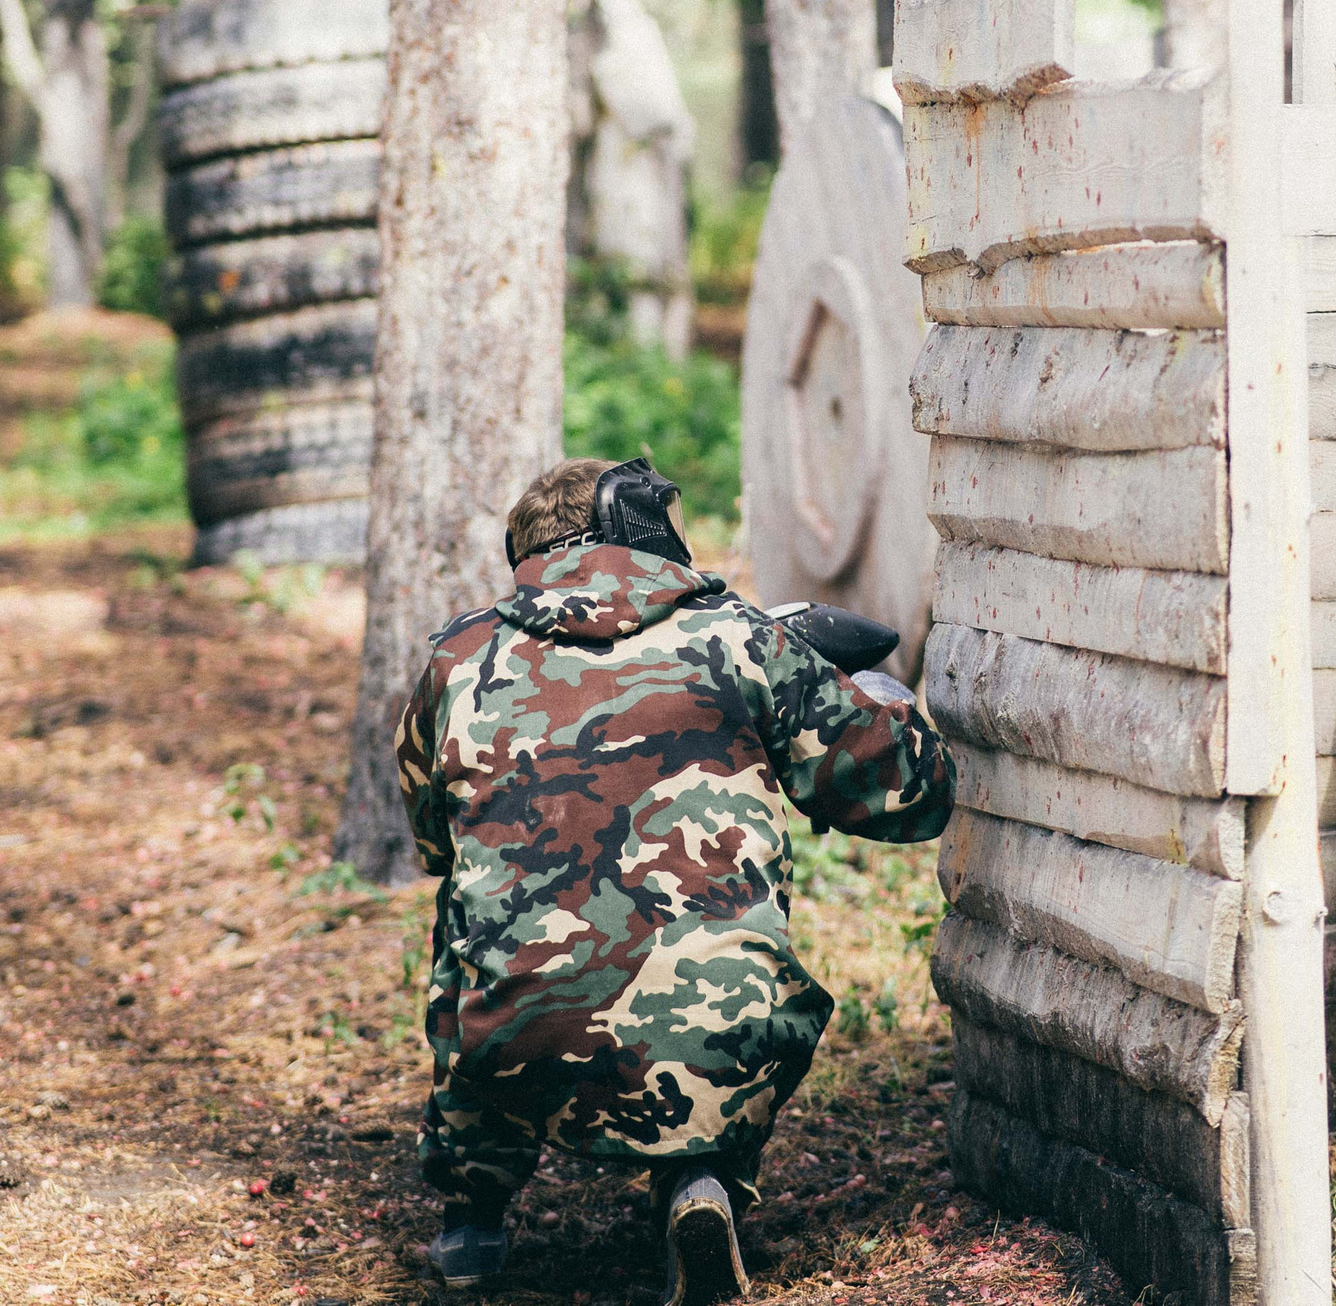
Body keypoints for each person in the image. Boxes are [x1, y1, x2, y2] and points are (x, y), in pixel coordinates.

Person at [396, 456, 953, 1299]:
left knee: (467, 920)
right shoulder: (738, 636)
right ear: (646, 524)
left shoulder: (458, 656)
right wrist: (879, 693)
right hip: (719, 1032)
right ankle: (703, 1181)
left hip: (514, 1044)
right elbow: (912, 798)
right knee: (725, 982)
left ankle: (472, 1217)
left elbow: (434, 841)